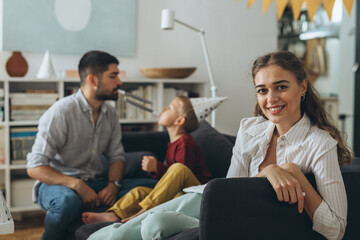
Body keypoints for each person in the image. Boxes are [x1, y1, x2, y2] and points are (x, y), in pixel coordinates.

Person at [86, 51, 353, 240]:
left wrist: (295, 174)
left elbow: (336, 229)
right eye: (262, 90)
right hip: (208, 199)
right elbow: (231, 184)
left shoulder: (319, 143)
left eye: (280, 87)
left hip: (235, 217)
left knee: (154, 223)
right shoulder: (251, 128)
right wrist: (267, 173)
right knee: (116, 235)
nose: (271, 98)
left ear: (302, 86)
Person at [26, 50, 157, 240]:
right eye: (113, 76)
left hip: (96, 183)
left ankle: (108, 216)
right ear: (93, 80)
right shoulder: (60, 112)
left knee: (153, 187)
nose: (119, 82)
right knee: (67, 201)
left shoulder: (111, 114)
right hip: (58, 184)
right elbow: (35, 167)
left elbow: (117, 157)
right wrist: (77, 185)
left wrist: (114, 185)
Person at [82, 96, 212, 224]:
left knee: (178, 168)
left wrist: (157, 167)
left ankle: (144, 212)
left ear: (179, 120)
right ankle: (113, 214)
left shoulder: (185, 142)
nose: (164, 108)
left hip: (195, 195)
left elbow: (179, 176)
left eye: (170, 107)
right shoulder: (172, 144)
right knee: (139, 191)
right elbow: (170, 181)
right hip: (179, 193)